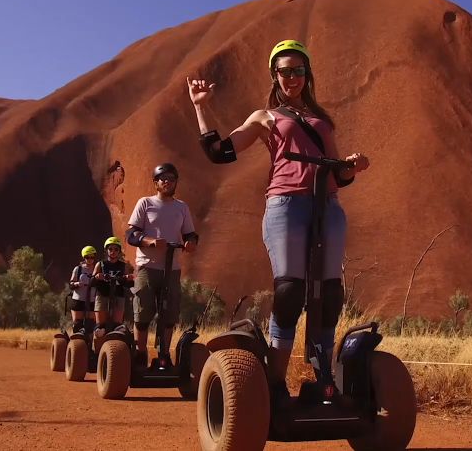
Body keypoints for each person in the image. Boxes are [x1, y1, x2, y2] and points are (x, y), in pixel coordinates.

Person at [187, 39, 370, 398]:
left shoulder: (322, 120)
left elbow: (338, 175)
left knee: (329, 294)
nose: (292, 77)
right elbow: (219, 152)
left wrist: (352, 166)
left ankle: (323, 382)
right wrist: (201, 109)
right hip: (286, 204)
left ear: (307, 74)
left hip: (327, 205)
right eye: (285, 71)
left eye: (298, 70)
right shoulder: (264, 117)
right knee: (290, 292)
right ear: (274, 75)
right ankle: (275, 382)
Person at [125, 163, 199, 368]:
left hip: (172, 268)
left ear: (176, 183)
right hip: (147, 267)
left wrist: (191, 242)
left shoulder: (181, 207)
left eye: (171, 179)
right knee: (143, 310)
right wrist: (149, 241)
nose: (167, 182)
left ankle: (164, 354)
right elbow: (130, 235)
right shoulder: (145, 203)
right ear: (156, 182)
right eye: (163, 178)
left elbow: (190, 234)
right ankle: (140, 353)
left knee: (169, 312)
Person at [91, 237, 134, 348]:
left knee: (117, 326)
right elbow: (91, 282)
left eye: (116, 249)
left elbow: (129, 284)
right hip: (102, 295)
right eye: (110, 249)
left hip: (118, 296)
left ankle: (115, 350)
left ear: (119, 251)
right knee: (101, 327)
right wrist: (97, 277)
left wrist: (129, 279)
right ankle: (97, 352)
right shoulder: (100, 264)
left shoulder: (123, 266)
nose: (113, 251)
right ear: (106, 250)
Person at [69, 246, 98, 334]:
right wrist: (76, 284)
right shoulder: (78, 269)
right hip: (79, 300)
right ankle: (76, 345)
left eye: (92, 257)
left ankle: (89, 346)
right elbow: (71, 284)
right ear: (84, 257)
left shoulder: (98, 269)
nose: (90, 259)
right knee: (78, 324)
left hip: (92, 300)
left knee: (91, 325)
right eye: (87, 257)